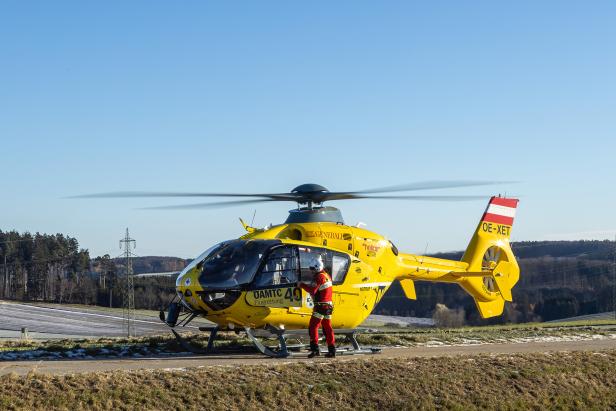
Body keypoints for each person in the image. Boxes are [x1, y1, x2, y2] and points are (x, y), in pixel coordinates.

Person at [298, 255, 336, 358]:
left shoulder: (319, 277)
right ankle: (332, 350)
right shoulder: (327, 275)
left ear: (317, 267)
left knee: (313, 327)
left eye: (312, 269)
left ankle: (315, 349)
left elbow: (313, 290)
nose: (311, 271)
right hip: (328, 306)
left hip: (321, 306)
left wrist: (301, 285)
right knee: (327, 328)